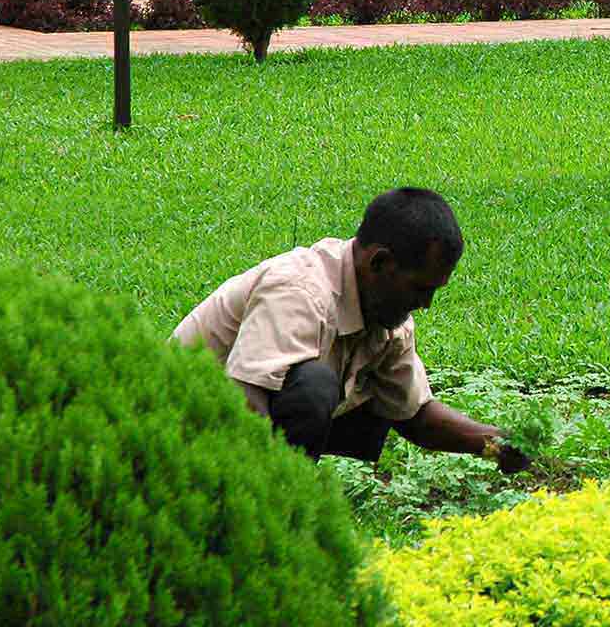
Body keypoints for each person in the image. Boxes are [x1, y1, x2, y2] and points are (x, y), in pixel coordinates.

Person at [172, 187, 530, 473]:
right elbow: (244, 397)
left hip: (234, 426)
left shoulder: (386, 316)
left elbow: (415, 415)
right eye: (421, 289)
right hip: (180, 426)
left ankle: (284, 488)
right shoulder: (300, 292)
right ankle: (278, 495)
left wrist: (494, 443)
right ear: (379, 263)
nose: (426, 304)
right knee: (314, 386)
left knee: (368, 400)